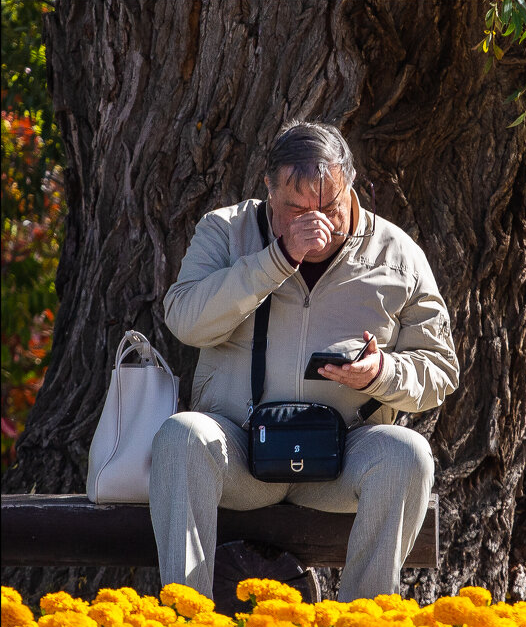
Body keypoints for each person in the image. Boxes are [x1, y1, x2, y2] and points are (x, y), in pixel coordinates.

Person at [150, 120, 459, 602]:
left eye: (330, 206)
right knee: (181, 437)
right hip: (240, 452)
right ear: (268, 193)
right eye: (296, 209)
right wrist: (276, 259)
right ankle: (184, 626)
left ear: (351, 185)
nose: (316, 223)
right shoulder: (226, 231)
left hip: (341, 459)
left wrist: (382, 373)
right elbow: (186, 321)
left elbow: (440, 369)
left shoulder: (398, 254)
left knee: (407, 454)